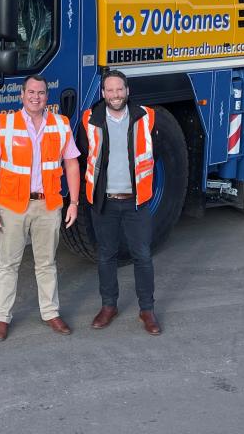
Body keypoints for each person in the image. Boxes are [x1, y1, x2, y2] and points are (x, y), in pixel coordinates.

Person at [0, 74, 81, 342]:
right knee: (8, 264)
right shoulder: (5, 124)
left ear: (47, 97)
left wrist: (74, 202)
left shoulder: (61, 124)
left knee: (46, 263)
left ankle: (50, 312)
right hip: (12, 206)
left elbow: (72, 163)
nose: (36, 97)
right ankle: (2, 318)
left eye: (41, 93)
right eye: (31, 92)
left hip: (48, 205)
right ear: (22, 95)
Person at [80, 70, 162, 335]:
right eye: (110, 90)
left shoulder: (146, 117)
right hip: (104, 201)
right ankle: (108, 306)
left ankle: (147, 310)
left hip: (136, 202)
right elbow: (88, 156)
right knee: (106, 255)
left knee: (143, 256)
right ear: (102, 93)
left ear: (127, 91)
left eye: (119, 89)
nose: (115, 95)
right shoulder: (90, 119)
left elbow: (154, 152)